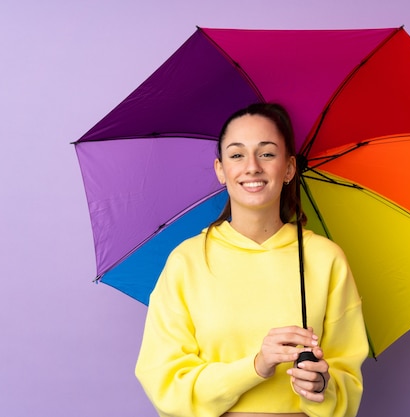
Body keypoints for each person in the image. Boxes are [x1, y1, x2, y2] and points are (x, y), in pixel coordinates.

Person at [135, 103, 368, 417]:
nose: (252, 167)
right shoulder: (187, 261)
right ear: (221, 169)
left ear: (289, 168)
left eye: (267, 153)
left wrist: (322, 385)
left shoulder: (325, 258)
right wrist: (257, 365)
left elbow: (347, 383)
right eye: (236, 154)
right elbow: (166, 384)